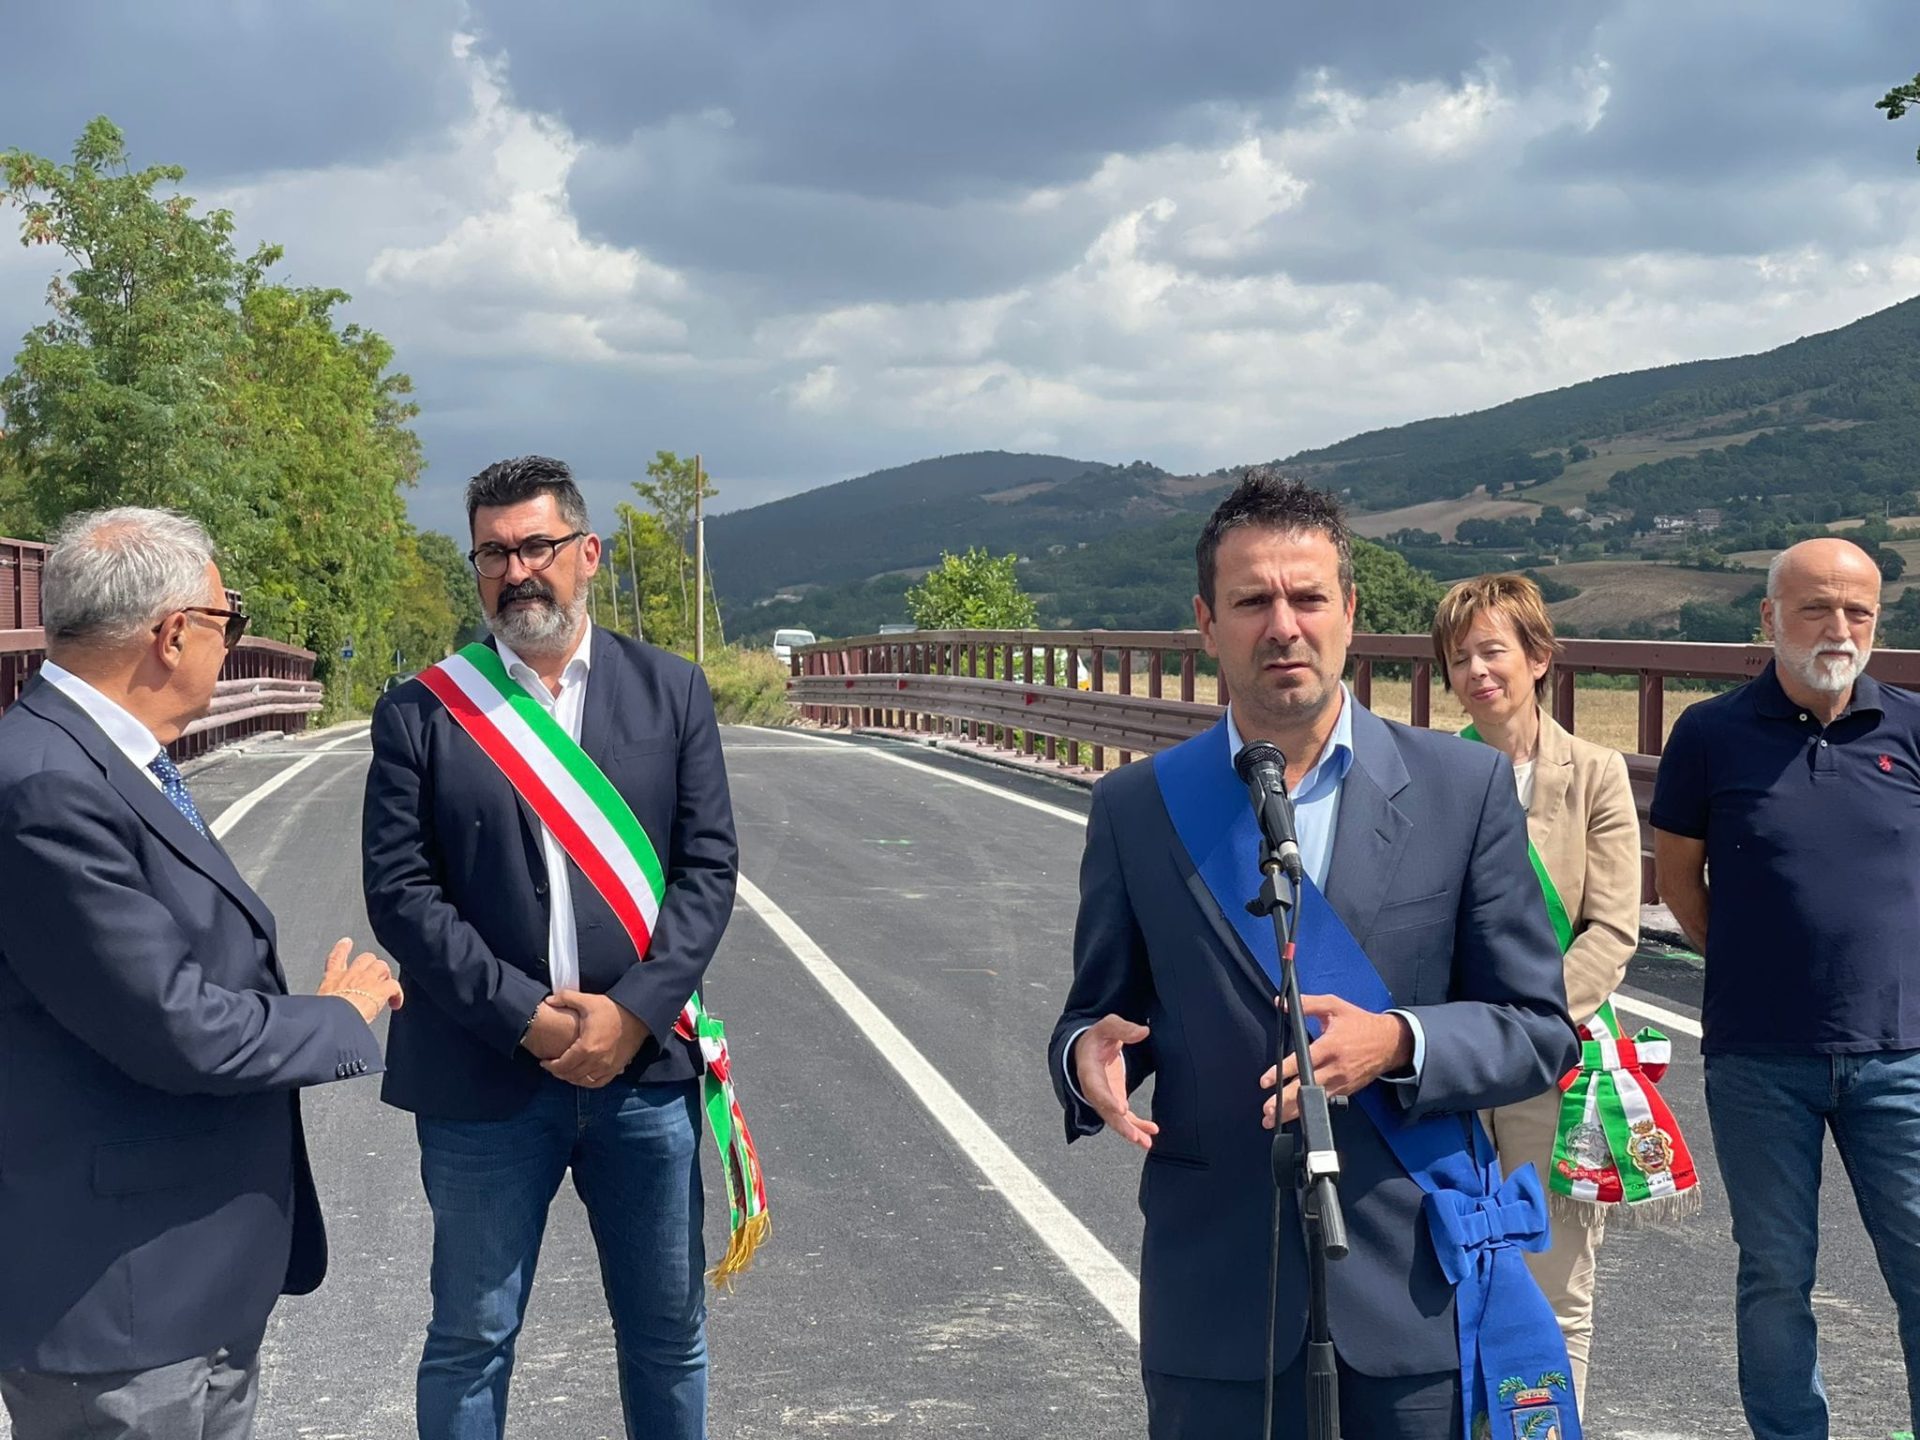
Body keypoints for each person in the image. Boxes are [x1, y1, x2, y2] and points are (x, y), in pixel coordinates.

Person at [1049, 472, 1580, 1440]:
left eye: (1307, 597)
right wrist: (1086, 1055)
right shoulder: (1138, 809)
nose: (1283, 626)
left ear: (1350, 614)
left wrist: (1399, 1042)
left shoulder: (1461, 789)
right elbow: (1097, 1012)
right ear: (1207, 624)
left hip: (1413, 1295)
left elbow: (1539, 1029)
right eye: (1253, 601)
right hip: (1216, 1301)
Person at [0, 506, 401, 1440]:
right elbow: (174, 1024)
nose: (230, 641)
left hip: (176, 1283)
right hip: (117, 1306)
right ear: (173, 633)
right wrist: (337, 1017)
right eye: (228, 619)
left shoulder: (93, 757)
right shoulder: (49, 785)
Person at [362, 455, 739, 1440]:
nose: (516, 571)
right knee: (471, 1338)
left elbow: (707, 872)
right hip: (481, 1077)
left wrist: (634, 1014)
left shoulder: (671, 691)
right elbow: (402, 896)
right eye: (493, 553)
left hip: (643, 1075)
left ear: (588, 554)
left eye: (536, 546)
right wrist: (523, 1017)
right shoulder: (421, 711)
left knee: (667, 1334)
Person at [1652, 536, 1920, 1440]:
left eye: (1857, 611)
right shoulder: (1709, 733)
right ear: (1769, 618)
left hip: (1901, 1056)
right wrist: (1756, 961)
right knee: (1775, 1274)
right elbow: (1679, 880)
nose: (1838, 627)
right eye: (1815, 608)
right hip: (1759, 1058)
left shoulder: (1912, 728)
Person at [1433, 573, 1697, 1417]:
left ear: (1539, 657)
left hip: (1551, 1061)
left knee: (1555, 1288)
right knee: (1444, 1279)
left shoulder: (1594, 774)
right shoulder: (1431, 770)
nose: (1476, 671)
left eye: (1493, 651)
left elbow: (1612, 930)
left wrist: (1529, 1030)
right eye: (1459, 657)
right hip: (1449, 1062)